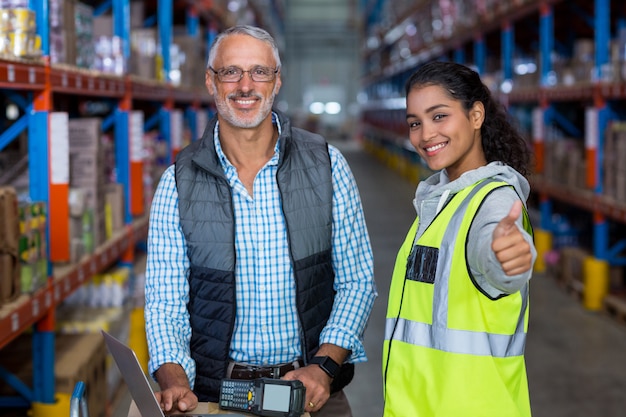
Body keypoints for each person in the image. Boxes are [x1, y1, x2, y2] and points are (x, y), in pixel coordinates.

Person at [144, 25, 377, 417]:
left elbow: (357, 281)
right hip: (217, 395)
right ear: (210, 82)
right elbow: (165, 303)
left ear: (277, 81)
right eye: (230, 71)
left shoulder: (326, 165)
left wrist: (324, 367)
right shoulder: (178, 182)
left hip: (312, 391)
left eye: (259, 72)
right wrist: (175, 381)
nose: (245, 85)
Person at [382, 61, 536, 417]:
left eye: (439, 117)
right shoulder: (442, 201)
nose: (425, 135)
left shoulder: (494, 200)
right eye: (415, 123)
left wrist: (508, 260)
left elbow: (497, 257)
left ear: (476, 115)